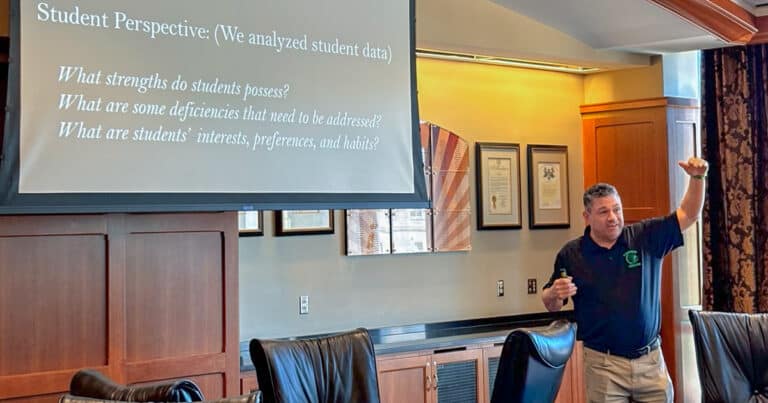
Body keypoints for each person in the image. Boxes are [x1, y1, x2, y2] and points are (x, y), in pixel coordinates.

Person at [541, 157, 708, 403]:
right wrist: (554, 293)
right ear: (586, 217)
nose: (613, 217)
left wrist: (697, 178)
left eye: (617, 209)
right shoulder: (572, 254)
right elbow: (551, 303)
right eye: (603, 211)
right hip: (603, 366)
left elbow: (689, 214)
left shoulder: (644, 237)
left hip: (651, 363)